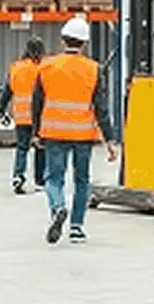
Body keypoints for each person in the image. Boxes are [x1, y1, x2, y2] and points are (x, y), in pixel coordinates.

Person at [31, 16, 117, 244]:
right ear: (84, 43)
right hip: (82, 134)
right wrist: (110, 140)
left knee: (53, 179)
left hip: (54, 133)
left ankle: (58, 207)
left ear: (63, 40)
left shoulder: (46, 66)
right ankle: (77, 228)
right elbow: (101, 107)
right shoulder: (93, 69)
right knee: (82, 181)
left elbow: (36, 102)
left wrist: (35, 132)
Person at [0, 38, 48, 194]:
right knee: (40, 148)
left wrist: (1, 108)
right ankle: (40, 181)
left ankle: (18, 176)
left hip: (21, 115)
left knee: (22, 148)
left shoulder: (16, 68)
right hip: (39, 116)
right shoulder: (43, 68)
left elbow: (7, 91)